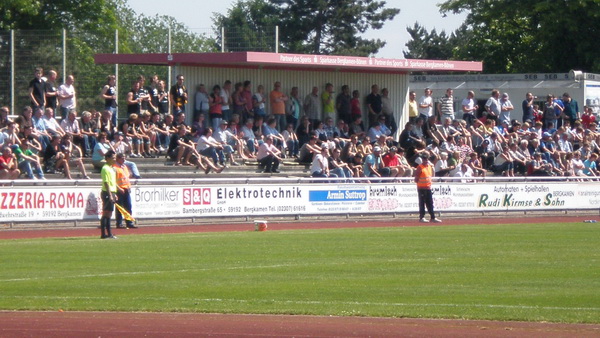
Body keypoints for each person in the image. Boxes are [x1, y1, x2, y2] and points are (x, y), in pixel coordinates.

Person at [414, 151, 441, 223]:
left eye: (426, 159)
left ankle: (432, 217)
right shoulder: (420, 167)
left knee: (430, 203)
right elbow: (416, 179)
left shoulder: (429, 167)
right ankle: (422, 217)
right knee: (422, 203)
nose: (425, 160)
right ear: (422, 160)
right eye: (424, 159)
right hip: (421, 188)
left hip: (428, 188)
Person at [113, 153, 137, 229]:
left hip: (126, 189)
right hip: (119, 189)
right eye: (122, 158)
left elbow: (126, 178)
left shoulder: (124, 167)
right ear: (118, 159)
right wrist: (118, 188)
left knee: (128, 206)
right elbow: (113, 180)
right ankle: (119, 223)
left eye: (124, 158)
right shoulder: (114, 167)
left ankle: (129, 222)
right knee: (120, 207)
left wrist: (129, 187)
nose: (124, 159)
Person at [100, 150, 118, 239]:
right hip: (107, 192)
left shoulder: (111, 168)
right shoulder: (105, 168)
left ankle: (109, 233)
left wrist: (114, 193)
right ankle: (104, 234)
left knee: (109, 213)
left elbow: (112, 182)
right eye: (113, 158)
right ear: (107, 158)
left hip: (112, 192)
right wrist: (110, 194)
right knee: (106, 213)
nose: (114, 159)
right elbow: (106, 182)